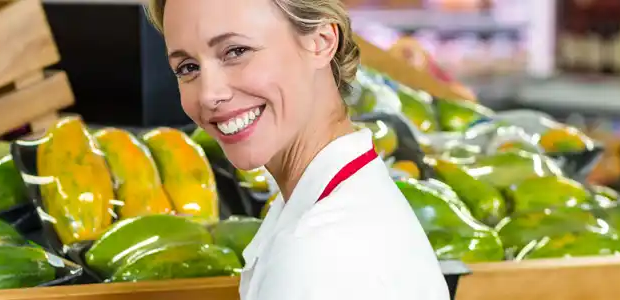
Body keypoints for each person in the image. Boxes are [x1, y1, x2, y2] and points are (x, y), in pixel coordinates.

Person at [143, 0, 449, 299]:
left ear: (321, 41)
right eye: (187, 68)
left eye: (236, 51)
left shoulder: (318, 255)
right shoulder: (333, 207)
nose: (210, 94)